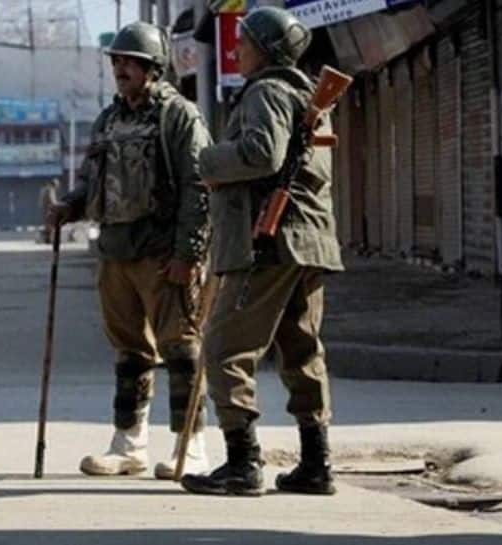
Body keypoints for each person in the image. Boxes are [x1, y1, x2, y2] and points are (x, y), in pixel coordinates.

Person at [180, 7, 343, 496]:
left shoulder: (267, 92)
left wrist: (207, 160)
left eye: (245, 42)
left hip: (267, 242)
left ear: (267, 50)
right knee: (301, 350)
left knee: (225, 348)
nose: (237, 49)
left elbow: (261, 154)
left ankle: (242, 462)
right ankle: (316, 463)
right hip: (307, 243)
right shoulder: (306, 96)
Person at [48, 21, 213, 480]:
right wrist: (68, 207)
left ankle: (189, 445)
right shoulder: (108, 120)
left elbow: (198, 188)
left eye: (131, 62)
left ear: (153, 67)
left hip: (162, 254)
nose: (121, 69)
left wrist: (188, 254)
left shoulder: (179, 117)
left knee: (180, 349)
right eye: (117, 61)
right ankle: (128, 443)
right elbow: (92, 181)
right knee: (129, 351)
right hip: (115, 253)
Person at [39, 179, 60, 244]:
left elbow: (41, 201)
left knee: (47, 225)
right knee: (51, 225)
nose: (58, 186)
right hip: (49, 209)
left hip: (45, 209)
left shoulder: (45, 189)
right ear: (55, 184)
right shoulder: (51, 190)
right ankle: (50, 239)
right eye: (58, 185)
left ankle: (47, 240)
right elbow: (53, 200)